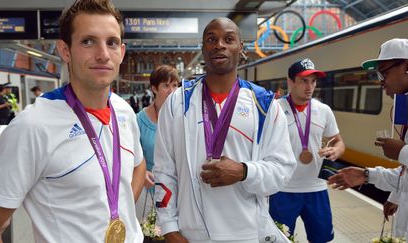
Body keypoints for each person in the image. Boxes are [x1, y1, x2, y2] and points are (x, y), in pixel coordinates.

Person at [0, 0, 146, 242]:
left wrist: (119, 211)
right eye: (88, 41)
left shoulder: (123, 111)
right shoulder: (33, 126)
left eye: (111, 42)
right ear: (65, 51)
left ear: (122, 52)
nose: (103, 54)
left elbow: (139, 165)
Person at [153, 17, 296, 243]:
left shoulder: (265, 105)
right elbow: (164, 169)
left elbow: (282, 171)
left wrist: (243, 171)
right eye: (212, 39)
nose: (219, 44)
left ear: (241, 48)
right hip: (191, 233)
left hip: (245, 234)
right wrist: (169, 228)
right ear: (203, 48)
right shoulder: (178, 102)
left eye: (228, 39)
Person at [327, 38, 408, 242]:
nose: (380, 80)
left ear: (407, 67)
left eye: (384, 72)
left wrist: (403, 152)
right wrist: (367, 175)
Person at [269, 58, 345, 243]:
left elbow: (339, 142)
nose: (309, 86)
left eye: (313, 81)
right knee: (280, 240)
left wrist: (336, 151)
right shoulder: (275, 109)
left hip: (316, 188)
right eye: (304, 80)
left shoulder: (324, 110)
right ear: (290, 81)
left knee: (321, 239)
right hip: (282, 189)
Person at [135, 65, 179, 219]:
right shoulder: (138, 120)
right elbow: (130, 157)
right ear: (154, 88)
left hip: (177, 191)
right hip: (148, 193)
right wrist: (142, 173)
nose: (172, 90)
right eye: (166, 85)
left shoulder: (183, 118)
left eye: (175, 85)